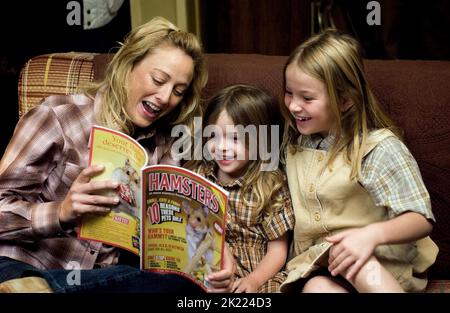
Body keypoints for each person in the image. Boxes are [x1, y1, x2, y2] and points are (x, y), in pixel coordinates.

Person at [0, 16, 234, 293]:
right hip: (24, 266)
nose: (164, 97)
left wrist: (216, 255)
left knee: (178, 284)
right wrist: (61, 212)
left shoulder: (167, 147)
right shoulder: (58, 116)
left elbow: (181, 231)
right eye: (158, 79)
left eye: (178, 91)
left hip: (101, 281)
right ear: (128, 64)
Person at [278, 29, 439, 293]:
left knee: (360, 264)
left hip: (380, 265)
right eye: (289, 93)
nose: (294, 106)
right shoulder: (292, 145)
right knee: (316, 290)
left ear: (345, 101)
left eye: (307, 98)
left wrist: (370, 236)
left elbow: (420, 218)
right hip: (322, 268)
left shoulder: (377, 149)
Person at [189, 84, 295, 292]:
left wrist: (253, 281)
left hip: (258, 275)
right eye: (214, 136)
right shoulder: (200, 174)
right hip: (211, 271)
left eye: (235, 138)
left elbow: (278, 252)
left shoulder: (269, 185)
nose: (222, 148)